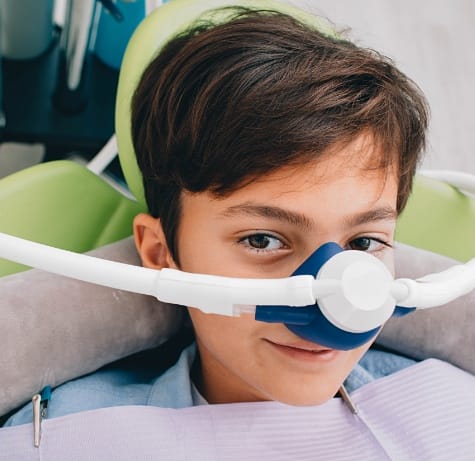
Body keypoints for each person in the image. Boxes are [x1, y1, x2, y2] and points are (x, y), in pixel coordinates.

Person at [5, 7, 428, 423]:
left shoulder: (448, 411)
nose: (332, 300)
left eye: (364, 243)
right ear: (159, 251)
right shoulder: (65, 440)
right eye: (262, 240)